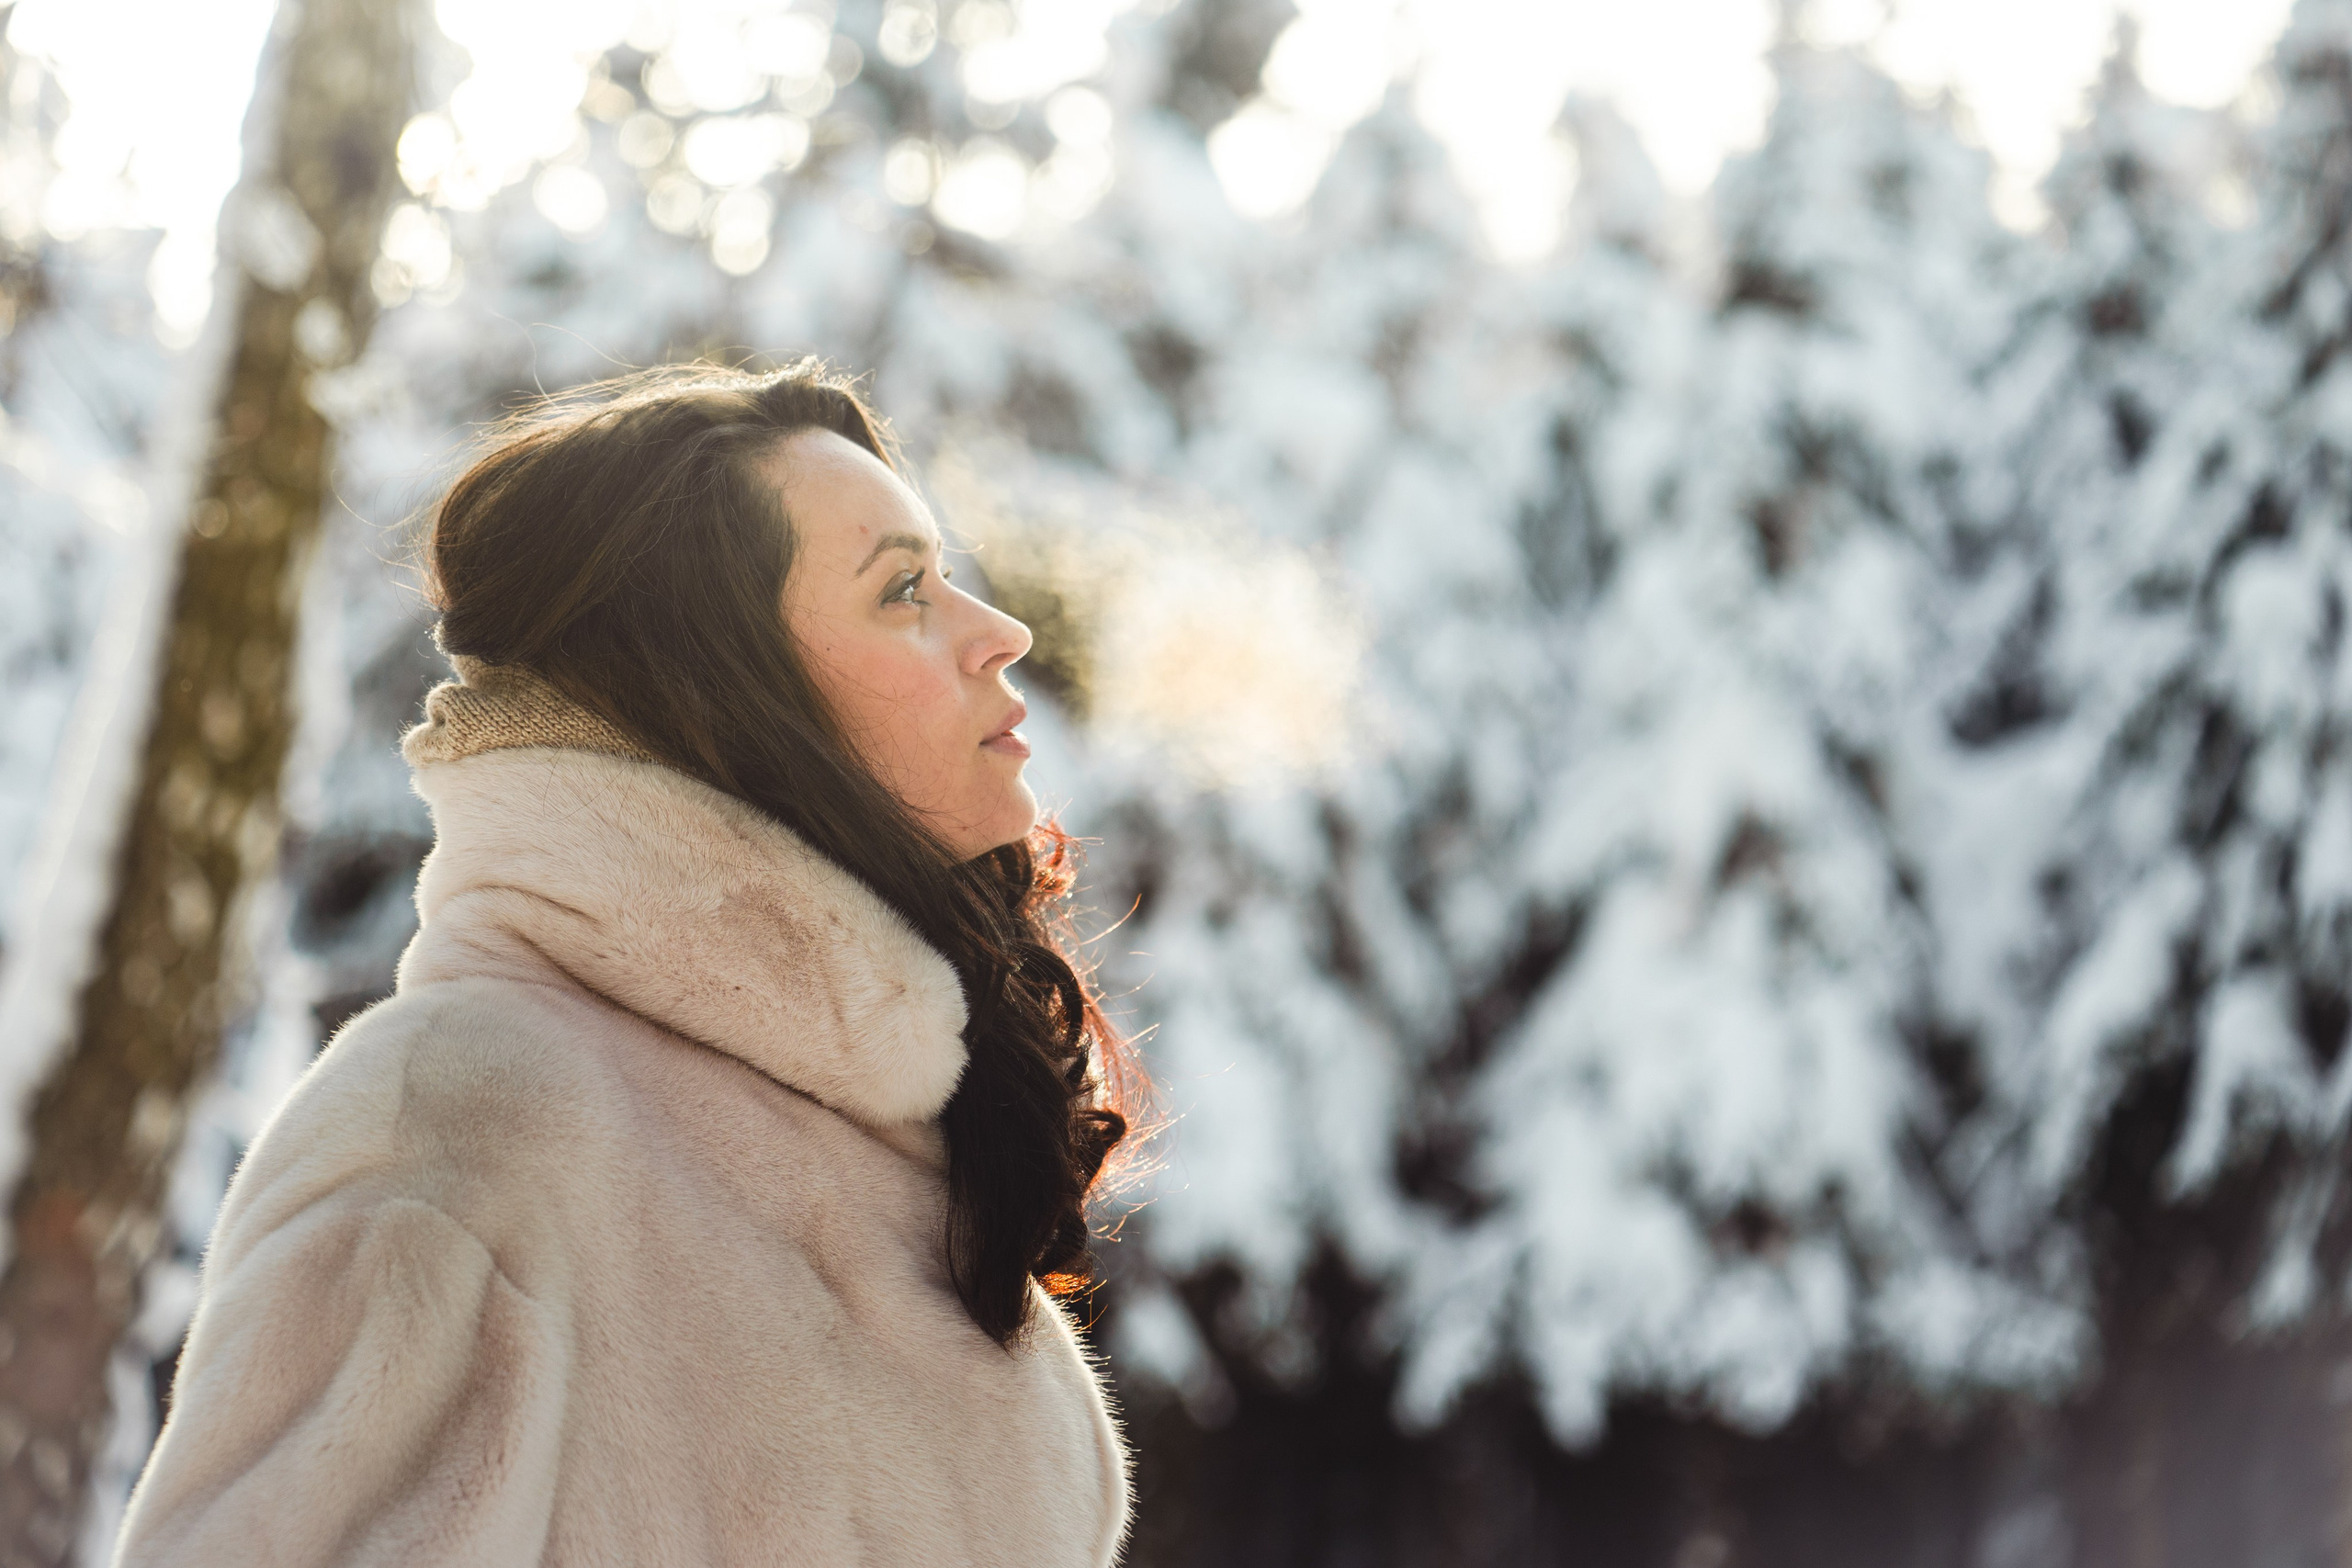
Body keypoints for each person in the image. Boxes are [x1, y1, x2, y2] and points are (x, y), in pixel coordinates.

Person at [110, 359, 1140, 1566]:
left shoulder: (881, 1150)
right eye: (903, 589)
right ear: (718, 694)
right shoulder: (458, 1119)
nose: (999, 633)